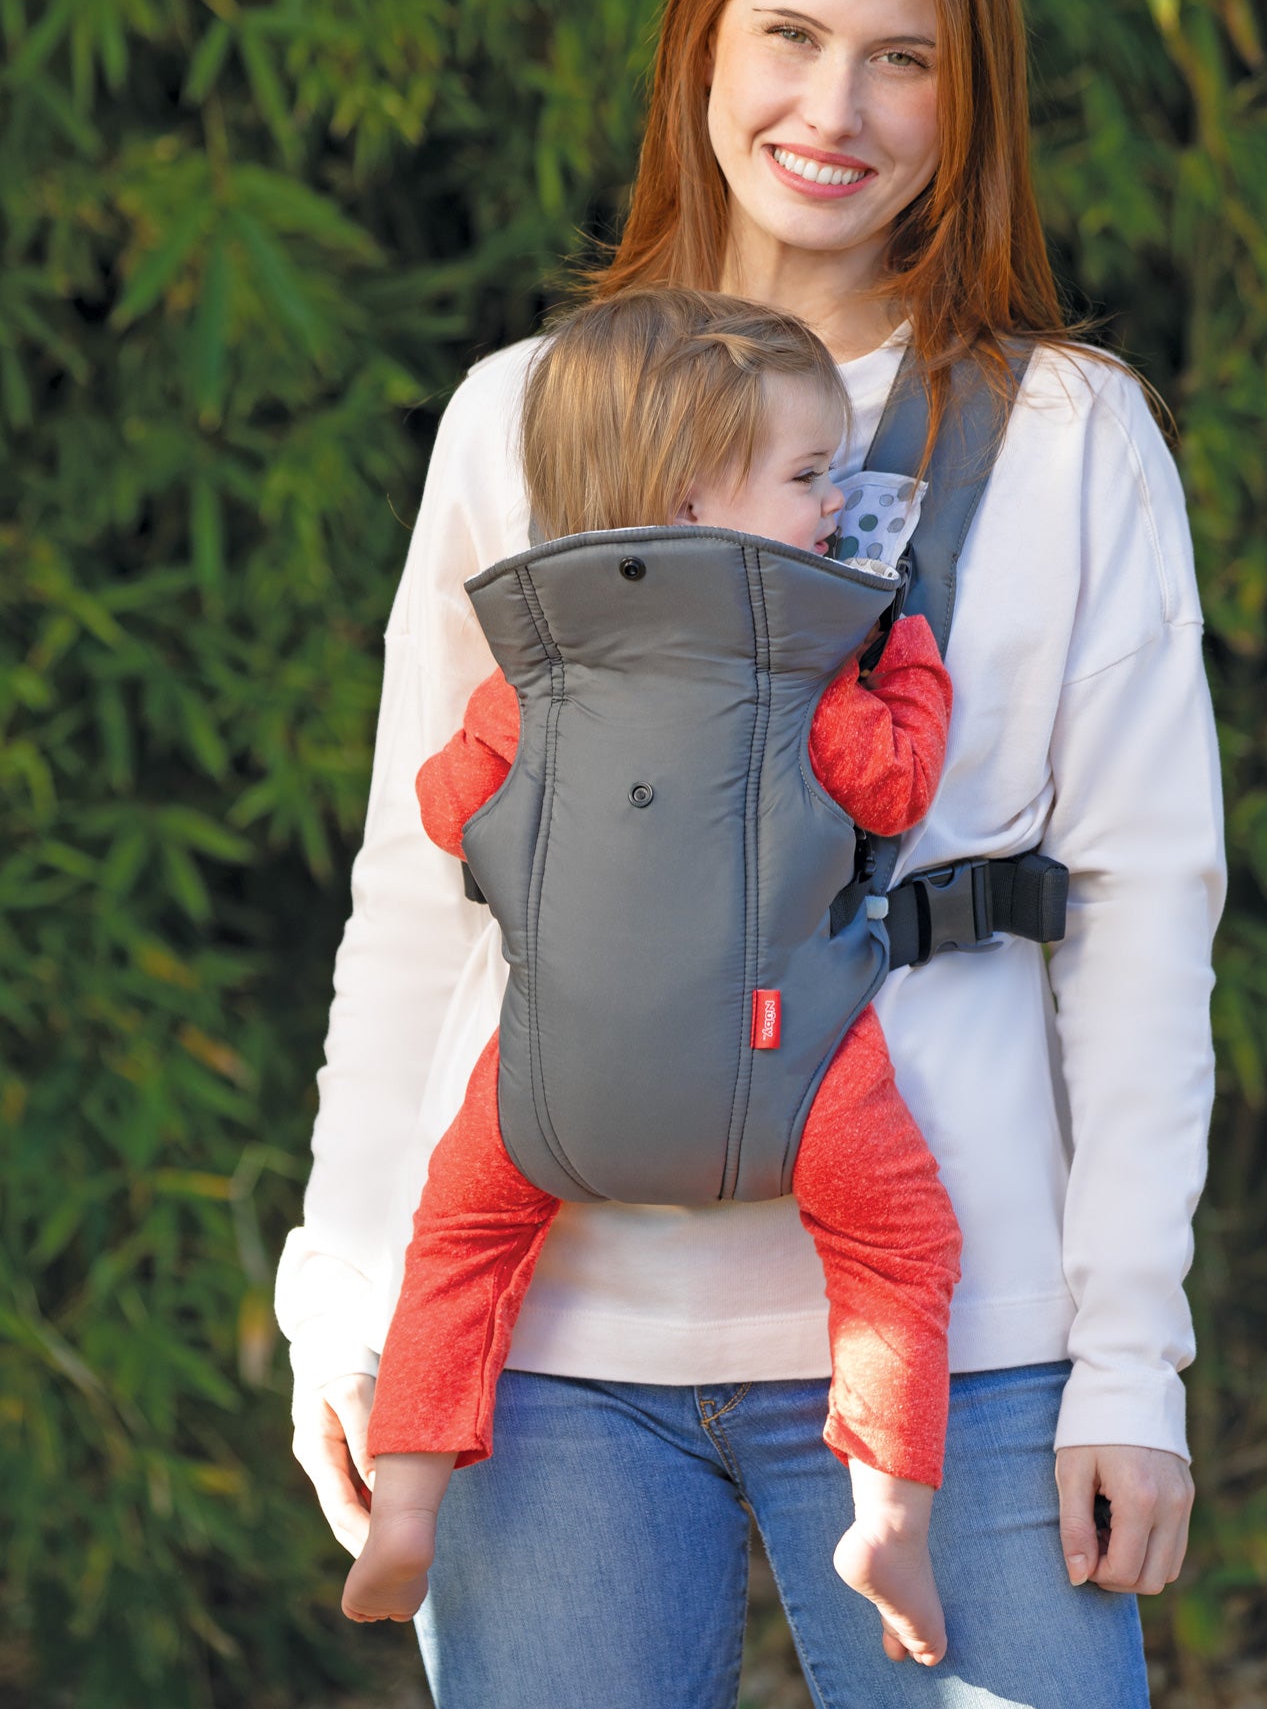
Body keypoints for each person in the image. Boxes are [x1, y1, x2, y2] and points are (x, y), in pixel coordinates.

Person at [278, 0, 1225, 1707]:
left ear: (975, 104)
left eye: (905, 59)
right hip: (542, 1354)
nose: (838, 108)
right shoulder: (521, 418)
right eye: (789, 35)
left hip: (958, 1352)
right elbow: (418, 891)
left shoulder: (1065, 437)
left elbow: (1137, 914)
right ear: (701, 42)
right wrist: (348, 1289)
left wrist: (1127, 1363)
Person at [341, 289, 962, 1667]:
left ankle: (408, 1501)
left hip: (549, 1081)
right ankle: (888, 1510)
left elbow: (453, 809)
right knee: (897, 1248)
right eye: (810, 478)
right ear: (696, 495)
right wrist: (904, 662)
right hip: (790, 1078)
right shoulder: (808, 672)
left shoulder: (534, 679)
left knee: (457, 1253)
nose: (833, 506)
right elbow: (895, 784)